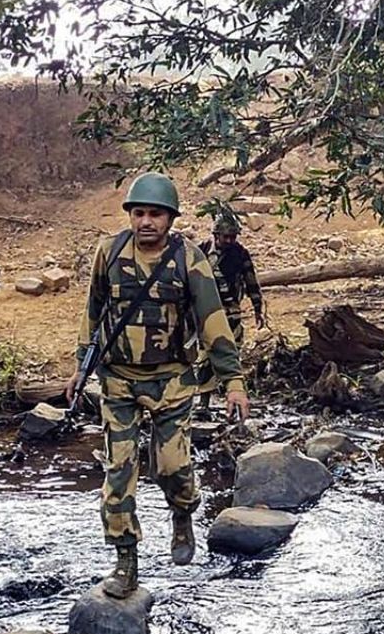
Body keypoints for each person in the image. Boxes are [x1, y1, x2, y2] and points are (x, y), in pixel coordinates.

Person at [65, 172, 250, 599]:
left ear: (169, 218)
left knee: (171, 466)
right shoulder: (108, 253)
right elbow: (92, 313)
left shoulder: (189, 258)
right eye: (139, 213)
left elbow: (213, 321)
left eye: (155, 214)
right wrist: (80, 367)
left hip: (172, 381)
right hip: (118, 382)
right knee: (118, 471)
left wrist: (233, 383)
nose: (146, 222)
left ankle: (183, 513)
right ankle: (125, 561)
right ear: (130, 215)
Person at [195, 214, 265, 411]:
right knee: (206, 355)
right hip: (206, 311)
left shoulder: (240, 253)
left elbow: (251, 280)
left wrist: (258, 308)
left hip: (231, 310)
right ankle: (204, 401)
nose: (229, 241)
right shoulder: (201, 251)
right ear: (216, 235)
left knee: (232, 352)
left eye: (233, 237)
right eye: (225, 237)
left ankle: (234, 397)